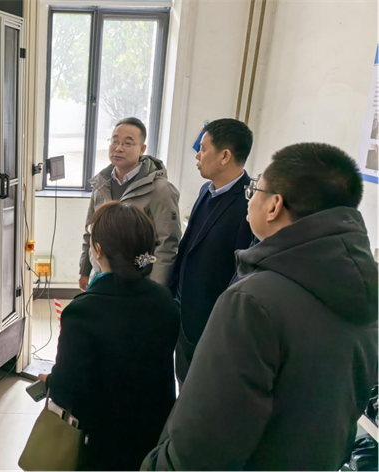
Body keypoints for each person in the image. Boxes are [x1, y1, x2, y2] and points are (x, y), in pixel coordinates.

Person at [143, 143, 379, 471]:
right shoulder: (363, 286)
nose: (250, 197)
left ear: (274, 206)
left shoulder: (253, 301)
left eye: (255, 189)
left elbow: (203, 446)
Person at [41, 201, 180, 472]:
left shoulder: (82, 312)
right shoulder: (166, 303)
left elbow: (69, 389)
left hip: (101, 443)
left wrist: (50, 381)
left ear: (98, 249)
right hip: (155, 438)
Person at [170, 118, 254, 383]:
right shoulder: (206, 190)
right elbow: (188, 246)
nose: (198, 155)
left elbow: (242, 271)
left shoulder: (249, 205)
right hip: (185, 311)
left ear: (225, 156)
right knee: (184, 381)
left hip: (212, 321)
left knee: (203, 388)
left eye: (203, 149)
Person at [79, 117, 181, 290]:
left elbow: (167, 244)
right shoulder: (102, 184)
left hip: (139, 283)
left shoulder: (160, 189)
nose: (118, 148)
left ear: (142, 149)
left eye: (127, 143)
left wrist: (154, 289)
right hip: (102, 278)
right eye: (115, 141)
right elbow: (91, 230)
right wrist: (85, 270)